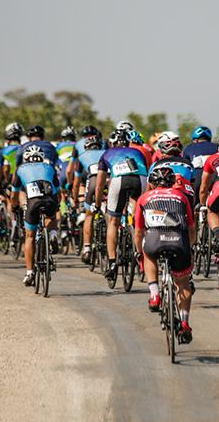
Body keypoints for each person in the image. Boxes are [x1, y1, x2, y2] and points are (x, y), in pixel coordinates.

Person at [134, 164, 197, 341]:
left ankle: (154, 295)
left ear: (152, 184)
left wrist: (139, 252)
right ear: (172, 183)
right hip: (179, 241)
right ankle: (184, 323)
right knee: (183, 284)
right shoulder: (181, 196)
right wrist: (190, 248)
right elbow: (191, 228)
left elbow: (138, 232)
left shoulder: (144, 198)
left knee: (148, 255)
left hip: (154, 240)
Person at [94, 129, 149, 279]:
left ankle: (112, 263)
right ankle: (142, 257)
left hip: (119, 180)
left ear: (112, 142)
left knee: (113, 221)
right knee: (140, 221)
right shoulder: (138, 152)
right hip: (140, 180)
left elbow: (99, 185)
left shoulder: (107, 153)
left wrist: (98, 204)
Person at [10, 146, 60, 287]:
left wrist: (14, 206)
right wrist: (57, 206)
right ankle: (53, 234)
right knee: (51, 216)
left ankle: (30, 272)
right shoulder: (49, 167)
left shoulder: (20, 169)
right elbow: (57, 191)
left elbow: (14, 194)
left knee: (30, 236)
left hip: (32, 202)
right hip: (49, 198)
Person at [69, 125, 106, 262]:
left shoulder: (82, 155)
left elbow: (76, 181)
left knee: (89, 214)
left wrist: (75, 198)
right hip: (108, 181)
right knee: (110, 211)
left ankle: (87, 248)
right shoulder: (107, 152)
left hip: (92, 180)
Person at [183, 126, 218, 195]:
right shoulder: (217, 146)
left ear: (195, 140)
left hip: (197, 179)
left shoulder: (188, 148)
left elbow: (186, 167)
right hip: (214, 179)